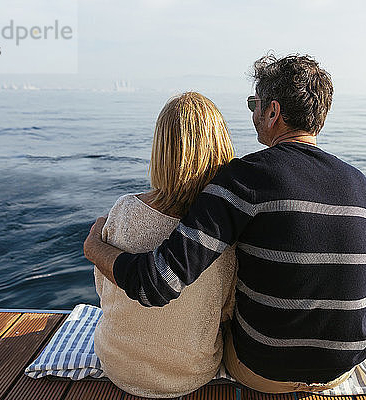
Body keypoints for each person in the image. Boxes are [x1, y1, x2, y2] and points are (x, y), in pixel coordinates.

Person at [85, 54, 366, 394]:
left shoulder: (245, 178)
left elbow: (157, 284)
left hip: (264, 372)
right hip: (342, 367)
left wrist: (93, 246)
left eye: (255, 103)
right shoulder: (360, 184)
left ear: (273, 112)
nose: (253, 113)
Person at [92, 92, 237, 398]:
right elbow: (227, 309)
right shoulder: (225, 230)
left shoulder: (124, 210)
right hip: (191, 373)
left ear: (161, 149)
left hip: (116, 363)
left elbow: (104, 290)